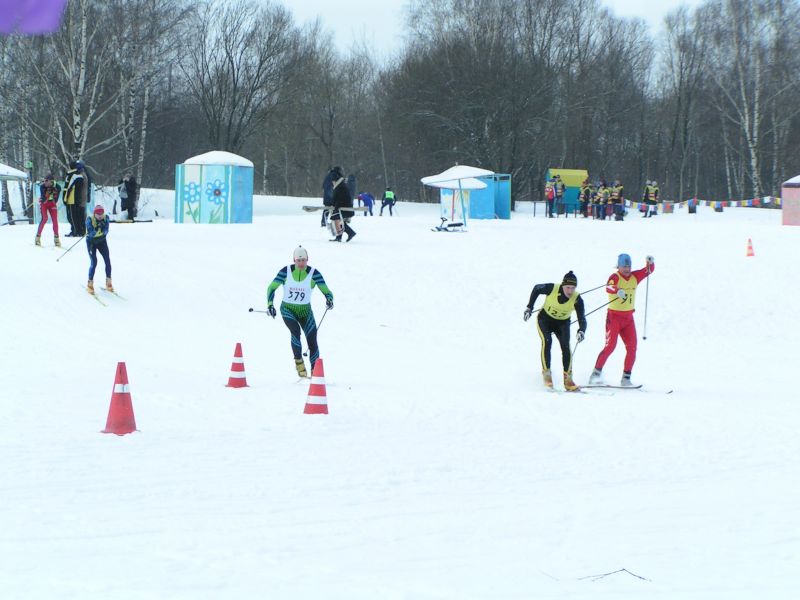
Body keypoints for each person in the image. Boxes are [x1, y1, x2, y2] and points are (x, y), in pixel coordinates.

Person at [266, 246, 334, 378]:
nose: (301, 263)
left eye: (304, 260)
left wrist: (329, 299)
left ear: (308, 260)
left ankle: (315, 372)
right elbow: (271, 288)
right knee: (295, 331)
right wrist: (270, 305)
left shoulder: (314, 274)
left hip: (305, 312)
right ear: (294, 260)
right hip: (287, 309)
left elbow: (327, 291)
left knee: (312, 339)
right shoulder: (285, 272)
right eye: (298, 260)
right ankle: (299, 365)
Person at [588, 253, 655, 386]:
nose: (627, 269)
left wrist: (650, 262)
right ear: (618, 266)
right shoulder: (615, 277)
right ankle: (595, 375)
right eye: (624, 266)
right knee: (610, 346)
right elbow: (608, 286)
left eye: (628, 266)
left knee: (632, 348)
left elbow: (648, 270)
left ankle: (626, 378)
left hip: (628, 319)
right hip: (614, 317)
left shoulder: (635, 277)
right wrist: (617, 290)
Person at [523, 271, 587, 391]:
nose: (570, 291)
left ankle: (568, 380)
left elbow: (582, 318)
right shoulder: (552, 288)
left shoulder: (577, 299)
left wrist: (581, 330)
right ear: (563, 285)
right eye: (567, 287)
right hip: (544, 320)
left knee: (566, 347)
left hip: (562, 323)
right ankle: (547, 375)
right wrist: (529, 307)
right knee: (547, 342)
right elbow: (537, 288)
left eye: (573, 288)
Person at [85, 205, 113, 295]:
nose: (100, 216)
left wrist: (102, 227)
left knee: (107, 261)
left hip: (102, 241)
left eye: (101, 213)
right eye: (98, 214)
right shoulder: (89, 219)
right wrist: (97, 228)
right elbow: (91, 232)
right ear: (94, 213)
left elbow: (106, 231)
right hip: (91, 243)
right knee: (94, 262)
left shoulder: (106, 218)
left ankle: (108, 282)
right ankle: (90, 283)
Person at [35, 174, 61, 247]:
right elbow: (43, 199)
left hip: (52, 203)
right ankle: (38, 237)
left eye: (46, 181)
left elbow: (55, 200)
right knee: (45, 218)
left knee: (55, 220)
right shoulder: (42, 186)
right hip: (44, 204)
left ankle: (56, 238)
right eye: (44, 180)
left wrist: (54, 194)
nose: (44, 182)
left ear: (51, 181)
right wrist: (48, 194)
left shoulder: (58, 187)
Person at [330, 170, 356, 242]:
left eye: (333, 181)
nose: (332, 182)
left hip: (345, 208)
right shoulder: (340, 185)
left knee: (337, 219)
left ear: (335, 180)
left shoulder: (340, 186)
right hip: (342, 207)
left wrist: (336, 206)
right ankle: (340, 236)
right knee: (338, 219)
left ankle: (350, 233)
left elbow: (340, 198)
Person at [64, 161, 87, 236]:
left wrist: (65, 198)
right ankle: (80, 231)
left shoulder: (72, 175)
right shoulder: (80, 175)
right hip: (78, 199)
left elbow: (68, 188)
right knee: (78, 216)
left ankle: (75, 231)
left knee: (72, 217)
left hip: (71, 199)